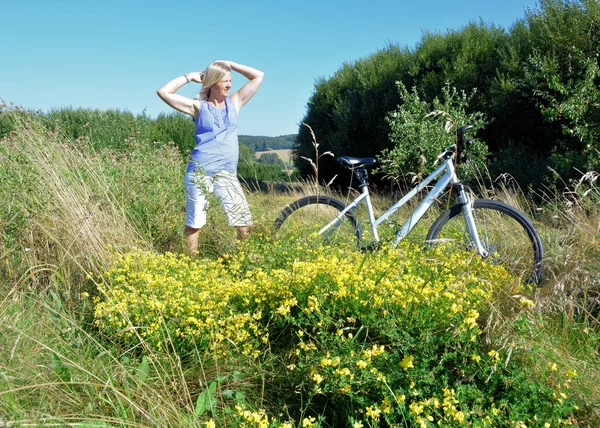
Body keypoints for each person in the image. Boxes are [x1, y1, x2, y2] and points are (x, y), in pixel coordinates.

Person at [157, 61, 264, 252]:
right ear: (213, 83)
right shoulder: (198, 107)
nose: (229, 84)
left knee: (243, 223)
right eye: (225, 80)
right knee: (195, 223)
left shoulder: (235, 103)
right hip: (200, 172)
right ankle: (191, 264)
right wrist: (189, 77)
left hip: (226, 173)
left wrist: (230, 64)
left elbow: (258, 76)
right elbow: (163, 92)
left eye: (230, 80)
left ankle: (240, 262)